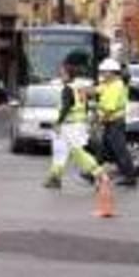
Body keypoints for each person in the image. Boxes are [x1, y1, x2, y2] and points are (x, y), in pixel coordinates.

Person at [43, 61, 108, 189]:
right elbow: (86, 106)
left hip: (70, 125)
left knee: (78, 152)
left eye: (62, 74)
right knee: (60, 150)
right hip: (76, 125)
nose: (60, 76)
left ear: (68, 75)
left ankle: (100, 175)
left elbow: (66, 107)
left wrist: (58, 123)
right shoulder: (78, 88)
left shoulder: (67, 89)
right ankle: (55, 178)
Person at [95, 59, 136, 187]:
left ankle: (130, 177)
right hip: (111, 122)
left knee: (120, 150)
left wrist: (100, 120)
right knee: (103, 150)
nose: (102, 74)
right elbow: (97, 89)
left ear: (112, 73)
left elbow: (109, 108)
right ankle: (93, 172)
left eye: (104, 72)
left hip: (114, 122)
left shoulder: (116, 86)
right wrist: (81, 90)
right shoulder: (109, 84)